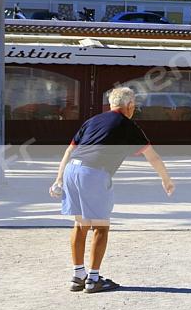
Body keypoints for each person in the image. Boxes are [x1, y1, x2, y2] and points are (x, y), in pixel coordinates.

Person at [50, 87, 175, 294]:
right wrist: (166, 179)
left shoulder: (92, 121)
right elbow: (152, 156)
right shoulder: (128, 125)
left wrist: (58, 179)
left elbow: (70, 150)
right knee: (100, 227)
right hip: (94, 173)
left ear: (110, 105)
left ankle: (78, 275)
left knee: (80, 224)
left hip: (72, 170)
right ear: (130, 106)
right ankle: (93, 279)